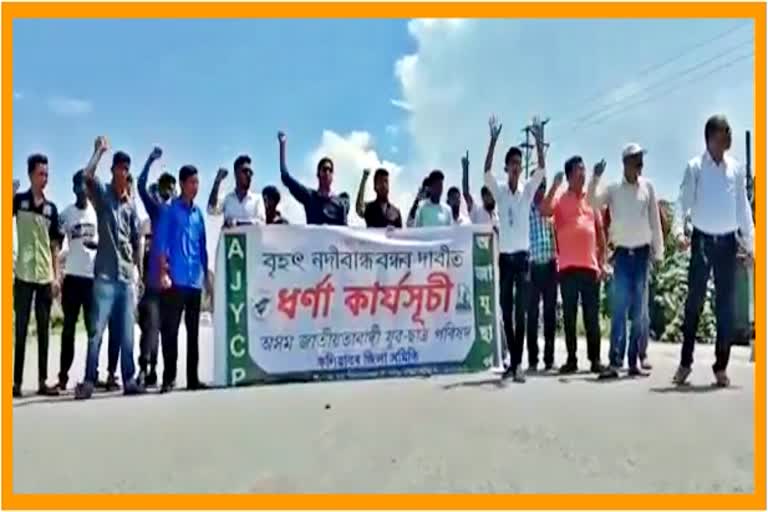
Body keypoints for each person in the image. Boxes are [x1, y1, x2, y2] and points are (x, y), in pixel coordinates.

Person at [672, 115, 754, 387]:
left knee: (726, 308)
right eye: (724, 133)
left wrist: (752, 245)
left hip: (728, 243)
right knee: (694, 303)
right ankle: (685, 362)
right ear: (710, 138)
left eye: (729, 132)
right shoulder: (695, 167)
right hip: (702, 241)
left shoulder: (736, 169)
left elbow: (743, 209)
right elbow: (682, 203)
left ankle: (721, 365)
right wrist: (678, 232)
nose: (728, 137)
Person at [75, 137, 144, 400]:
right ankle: (90, 381)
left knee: (127, 334)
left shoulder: (130, 206)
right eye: (119, 168)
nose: (122, 173)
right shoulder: (103, 196)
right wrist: (98, 152)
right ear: (113, 170)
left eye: (126, 169)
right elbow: (86, 176)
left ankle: (129, 379)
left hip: (126, 277)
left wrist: (138, 273)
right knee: (96, 334)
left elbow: (137, 239)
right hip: (104, 276)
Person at [588, 144, 664, 379]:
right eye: (636, 161)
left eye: (641, 161)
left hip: (641, 255)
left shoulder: (648, 187)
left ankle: (634, 361)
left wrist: (658, 252)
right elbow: (592, 202)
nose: (640, 165)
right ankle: (615, 362)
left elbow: (655, 221)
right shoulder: (613, 189)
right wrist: (595, 177)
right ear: (626, 163)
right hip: (621, 256)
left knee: (639, 311)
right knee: (619, 310)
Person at [483, 115, 546, 382]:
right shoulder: (499, 191)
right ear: (506, 167)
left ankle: (518, 363)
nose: (517, 169)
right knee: (505, 309)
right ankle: (512, 362)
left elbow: (541, 170)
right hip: (505, 259)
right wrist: (493, 141)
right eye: (513, 165)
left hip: (522, 259)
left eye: (520, 165)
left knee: (521, 310)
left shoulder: (527, 190)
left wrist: (538, 141)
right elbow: (485, 173)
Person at [541, 157, 607, 375]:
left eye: (584, 170)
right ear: (569, 175)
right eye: (578, 171)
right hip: (568, 267)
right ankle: (571, 359)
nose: (583, 174)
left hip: (590, 266)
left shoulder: (591, 200)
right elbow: (544, 210)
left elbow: (600, 233)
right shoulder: (560, 200)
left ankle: (595, 360)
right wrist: (554, 186)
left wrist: (603, 262)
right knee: (569, 316)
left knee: (591, 316)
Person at [156, 165, 213, 393]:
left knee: (193, 332)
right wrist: (162, 272)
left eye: (197, 182)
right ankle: (169, 378)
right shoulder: (171, 211)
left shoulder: (198, 213)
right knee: (170, 331)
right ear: (182, 184)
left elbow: (202, 246)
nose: (195, 187)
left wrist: (206, 277)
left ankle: (192, 379)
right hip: (175, 280)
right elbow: (161, 244)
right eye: (191, 182)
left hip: (194, 281)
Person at [13, 154, 64, 398]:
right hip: (23, 273)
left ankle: (43, 381)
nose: (45, 178)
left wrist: (56, 276)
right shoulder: (18, 201)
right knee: (21, 330)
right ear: (31, 175)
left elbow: (55, 245)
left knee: (44, 331)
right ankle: (16, 383)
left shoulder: (51, 209)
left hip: (44, 275)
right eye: (40, 173)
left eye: (47, 173)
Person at [136, 146, 176, 387]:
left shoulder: (178, 212)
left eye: (171, 186)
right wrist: (150, 160)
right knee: (150, 327)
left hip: (173, 283)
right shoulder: (156, 210)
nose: (168, 190)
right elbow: (140, 185)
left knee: (165, 330)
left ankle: (156, 371)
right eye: (165, 186)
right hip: (152, 282)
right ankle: (144, 367)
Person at [57, 170, 98, 391]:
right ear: (73, 189)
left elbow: (106, 243)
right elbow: (55, 242)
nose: (83, 189)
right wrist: (57, 274)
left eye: (85, 185)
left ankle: (92, 376)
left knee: (93, 330)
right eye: (78, 185)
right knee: (68, 330)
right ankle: (63, 376)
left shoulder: (97, 212)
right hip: (72, 278)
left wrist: (97, 247)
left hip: (92, 280)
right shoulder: (67, 214)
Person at [278, 131, 347, 225]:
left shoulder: (340, 204)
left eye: (330, 170)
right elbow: (286, 177)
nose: (327, 173)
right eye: (324, 169)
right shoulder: (310, 197)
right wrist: (283, 145)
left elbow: (345, 233)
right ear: (318, 174)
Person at [526, 179, 557, 372]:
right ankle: (532, 360)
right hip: (532, 267)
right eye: (537, 187)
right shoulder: (526, 210)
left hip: (551, 265)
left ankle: (549, 359)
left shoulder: (550, 210)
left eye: (543, 188)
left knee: (550, 314)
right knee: (532, 315)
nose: (540, 191)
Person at [207, 155, 266, 227]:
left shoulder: (257, 199)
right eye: (245, 171)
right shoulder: (227, 199)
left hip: (253, 238)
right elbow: (211, 210)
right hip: (231, 238)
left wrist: (237, 223)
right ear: (235, 174)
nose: (248, 175)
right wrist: (217, 182)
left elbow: (262, 223)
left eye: (250, 172)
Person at [461, 151, 498, 228]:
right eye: (488, 194)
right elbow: (466, 194)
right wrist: (465, 170)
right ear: (483, 197)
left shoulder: (496, 216)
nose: (491, 197)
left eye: (492, 194)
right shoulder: (476, 211)